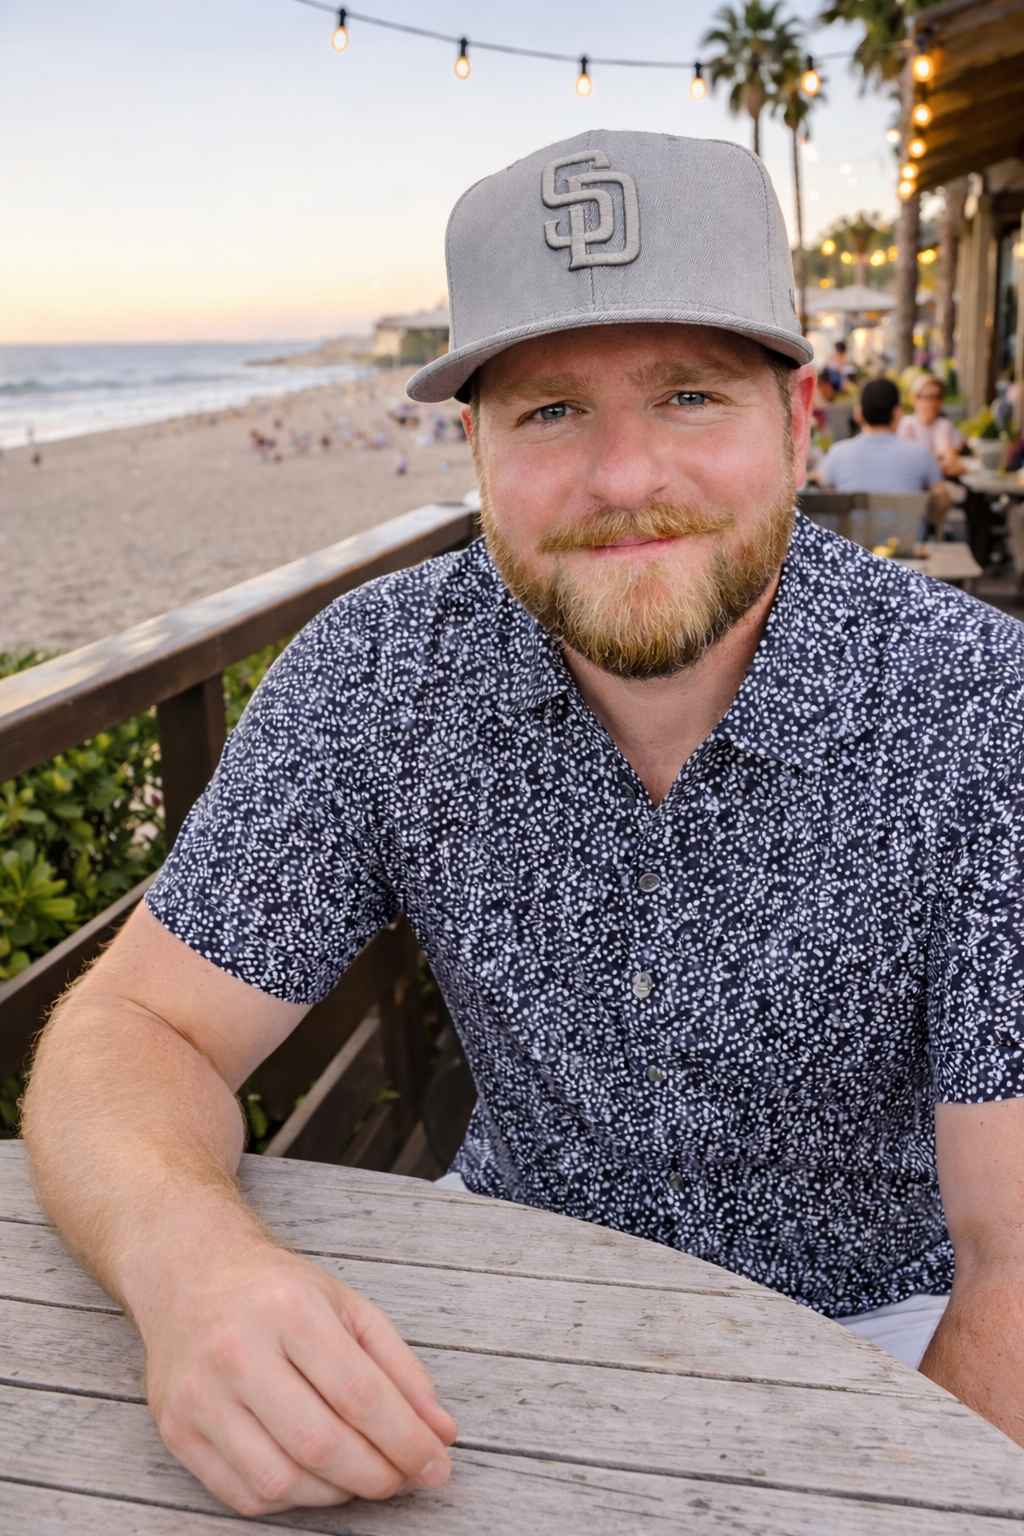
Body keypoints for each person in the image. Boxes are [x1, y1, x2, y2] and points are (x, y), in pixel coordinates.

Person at [22, 131, 1024, 1515]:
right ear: (476, 449)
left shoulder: (979, 710)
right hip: (502, 1292)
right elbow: (134, 1030)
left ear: (798, 424)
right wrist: (193, 1264)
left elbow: (1014, 1265)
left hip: (883, 1326)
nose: (623, 479)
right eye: (549, 412)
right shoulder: (378, 677)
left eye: (690, 395)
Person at [818, 377, 950, 517]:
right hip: (907, 539)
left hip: (852, 539)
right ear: (898, 413)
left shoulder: (838, 453)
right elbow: (942, 502)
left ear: (859, 414)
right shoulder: (922, 454)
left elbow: (824, 486)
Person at [897, 374, 964, 475]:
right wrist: (938, 457)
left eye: (936, 397)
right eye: (926, 397)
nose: (931, 402)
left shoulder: (944, 425)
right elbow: (908, 464)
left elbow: (952, 466)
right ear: (914, 399)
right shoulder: (908, 423)